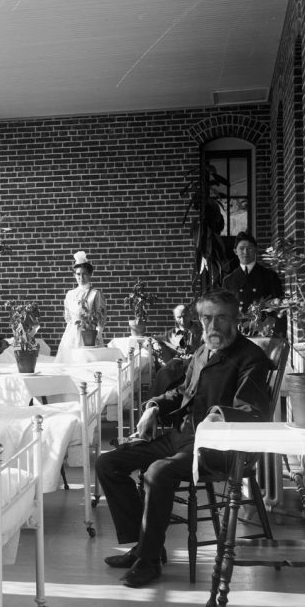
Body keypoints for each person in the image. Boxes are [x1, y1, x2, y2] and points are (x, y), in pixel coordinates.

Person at [95, 289, 271, 588]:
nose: (213, 326)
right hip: (184, 436)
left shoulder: (250, 358)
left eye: (221, 318)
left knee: (158, 471)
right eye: (206, 318)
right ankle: (144, 545)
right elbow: (182, 393)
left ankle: (148, 561)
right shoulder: (204, 351)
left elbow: (252, 412)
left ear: (236, 319)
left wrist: (215, 416)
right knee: (108, 463)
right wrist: (152, 407)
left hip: (220, 446)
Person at [222, 230, 286, 336]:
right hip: (238, 335)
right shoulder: (228, 281)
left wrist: (279, 337)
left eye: (250, 248)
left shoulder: (270, 276)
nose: (246, 252)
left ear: (255, 249)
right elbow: (224, 312)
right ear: (235, 251)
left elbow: (280, 310)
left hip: (264, 334)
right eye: (241, 248)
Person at [146, 303, 203, 397]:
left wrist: (195, 355)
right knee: (164, 372)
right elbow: (150, 339)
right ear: (175, 318)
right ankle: (151, 403)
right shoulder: (170, 335)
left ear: (190, 315)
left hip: (197, 361)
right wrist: (155, 344)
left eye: (185, 316)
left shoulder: (201, 330)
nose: (182, 320)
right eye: (179, 317)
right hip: (178, 365)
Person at [58, 251, 106, 348]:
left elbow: (101, 317)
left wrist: (98, 334)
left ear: (89, 275)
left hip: (89, 335)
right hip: (71, 336)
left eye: (84, 274)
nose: (81, 277)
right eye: (78, 274)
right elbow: (68, 317)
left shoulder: (95, 294)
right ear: (74, 275)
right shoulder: (70, 294)